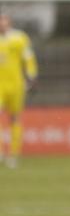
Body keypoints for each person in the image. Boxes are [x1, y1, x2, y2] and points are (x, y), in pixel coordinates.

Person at [0, 10, 38, 168]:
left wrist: (32, 75)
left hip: (16, 85)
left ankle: (13, 154)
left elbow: (28, 58)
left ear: (9, 22)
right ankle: (1, 152)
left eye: (4, 20)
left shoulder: (19, 38)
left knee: (14, 118)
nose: (2, 23)